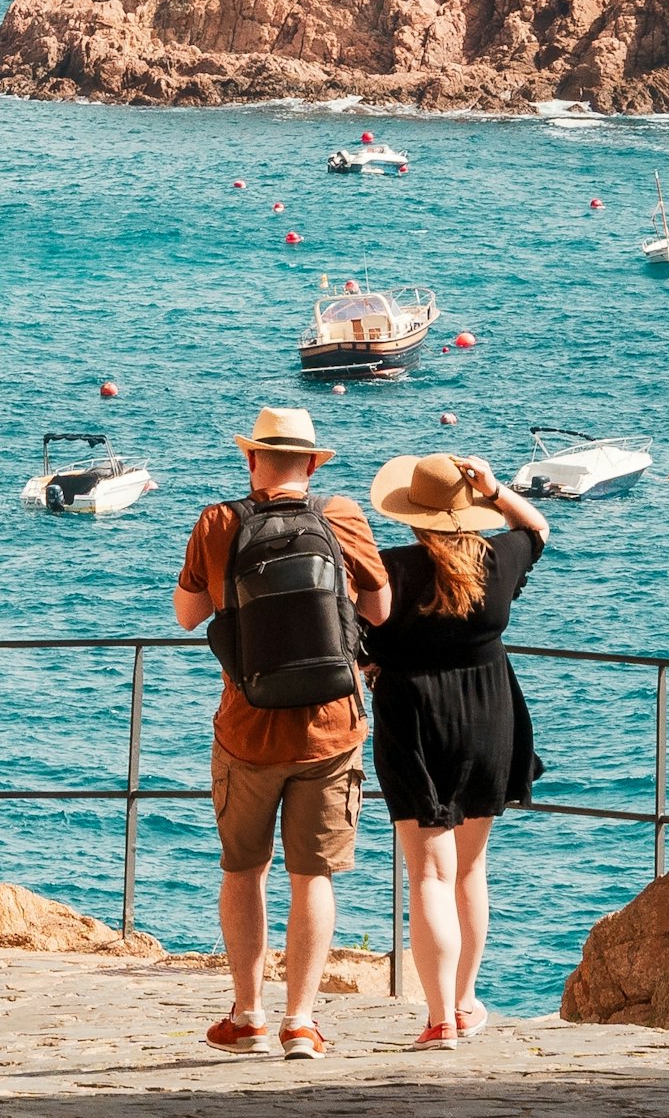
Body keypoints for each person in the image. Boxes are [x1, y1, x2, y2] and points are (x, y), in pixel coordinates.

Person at [173, 406, 391, 1059]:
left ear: (251, 461)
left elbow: (188, 615)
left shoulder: (218, 522)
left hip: (246, 729)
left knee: (244, 870)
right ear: (314, 463)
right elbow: (379, 608)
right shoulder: (341, 515)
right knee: (313, 877)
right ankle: (301, 1021)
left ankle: (248, 1014)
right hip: (332, 728)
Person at [360, 452, 551, 1051]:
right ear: (465, 510)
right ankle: (466, 1003)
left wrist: (371, 662)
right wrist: (496, 491)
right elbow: (538, 528)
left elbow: (359, 627)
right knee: (469, 870)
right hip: (489, 714)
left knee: (429, 876)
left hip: (414, 717)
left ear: (411, 515)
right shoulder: (498, 559)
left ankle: (439, 1017)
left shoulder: (387, 570)